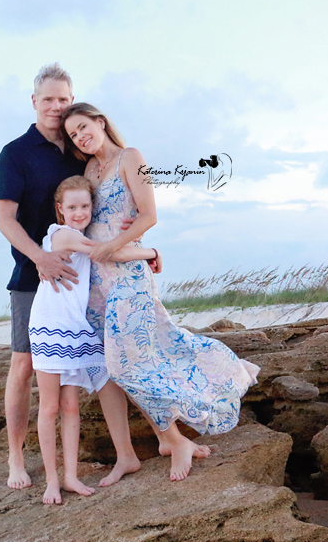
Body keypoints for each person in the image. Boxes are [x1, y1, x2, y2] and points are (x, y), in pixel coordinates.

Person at [65, 101, 261, 482]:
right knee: (129, 362)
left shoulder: (130, 156)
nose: (81, 136)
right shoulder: (89, 169)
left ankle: (179, 436)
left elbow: (149, 214)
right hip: (97, 282)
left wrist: (123, 244)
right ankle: (164, 439)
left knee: (130, 363)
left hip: (128, 276)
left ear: (100, 122)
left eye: (84, 127)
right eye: (74, 134)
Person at [29, 175, 159, 505]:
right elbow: (107, 253)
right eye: (72, 207)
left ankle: (71, 476)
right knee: (50, 407)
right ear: (60, 209)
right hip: (50, 326)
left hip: (75, 326)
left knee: (71, 405)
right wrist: (151, 251)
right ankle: (52, 482)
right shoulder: (63, 234)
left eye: (85, 206)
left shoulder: (78, 233)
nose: (79, 212)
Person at [0, 64, 88, 490]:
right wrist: (39, 259)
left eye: (63, 99)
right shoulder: (15, 153)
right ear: (34, 102)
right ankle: (16, 457)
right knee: (24, 364)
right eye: (48, 99)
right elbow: (5, 220)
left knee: (87, 364)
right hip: (33, 275)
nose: (56, 106)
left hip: (81, 276)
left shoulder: (80, 149)